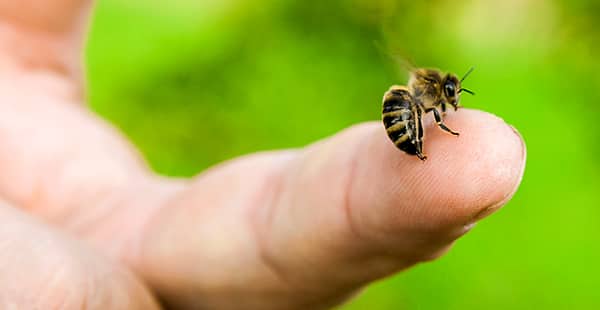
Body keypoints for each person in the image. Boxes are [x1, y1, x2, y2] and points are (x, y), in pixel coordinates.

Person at [0, 1, 526, 309]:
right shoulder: (426, 97)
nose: (453, 102)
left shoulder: (428, 92)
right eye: (451, 96)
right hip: (404, 118)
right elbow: (420, 103)